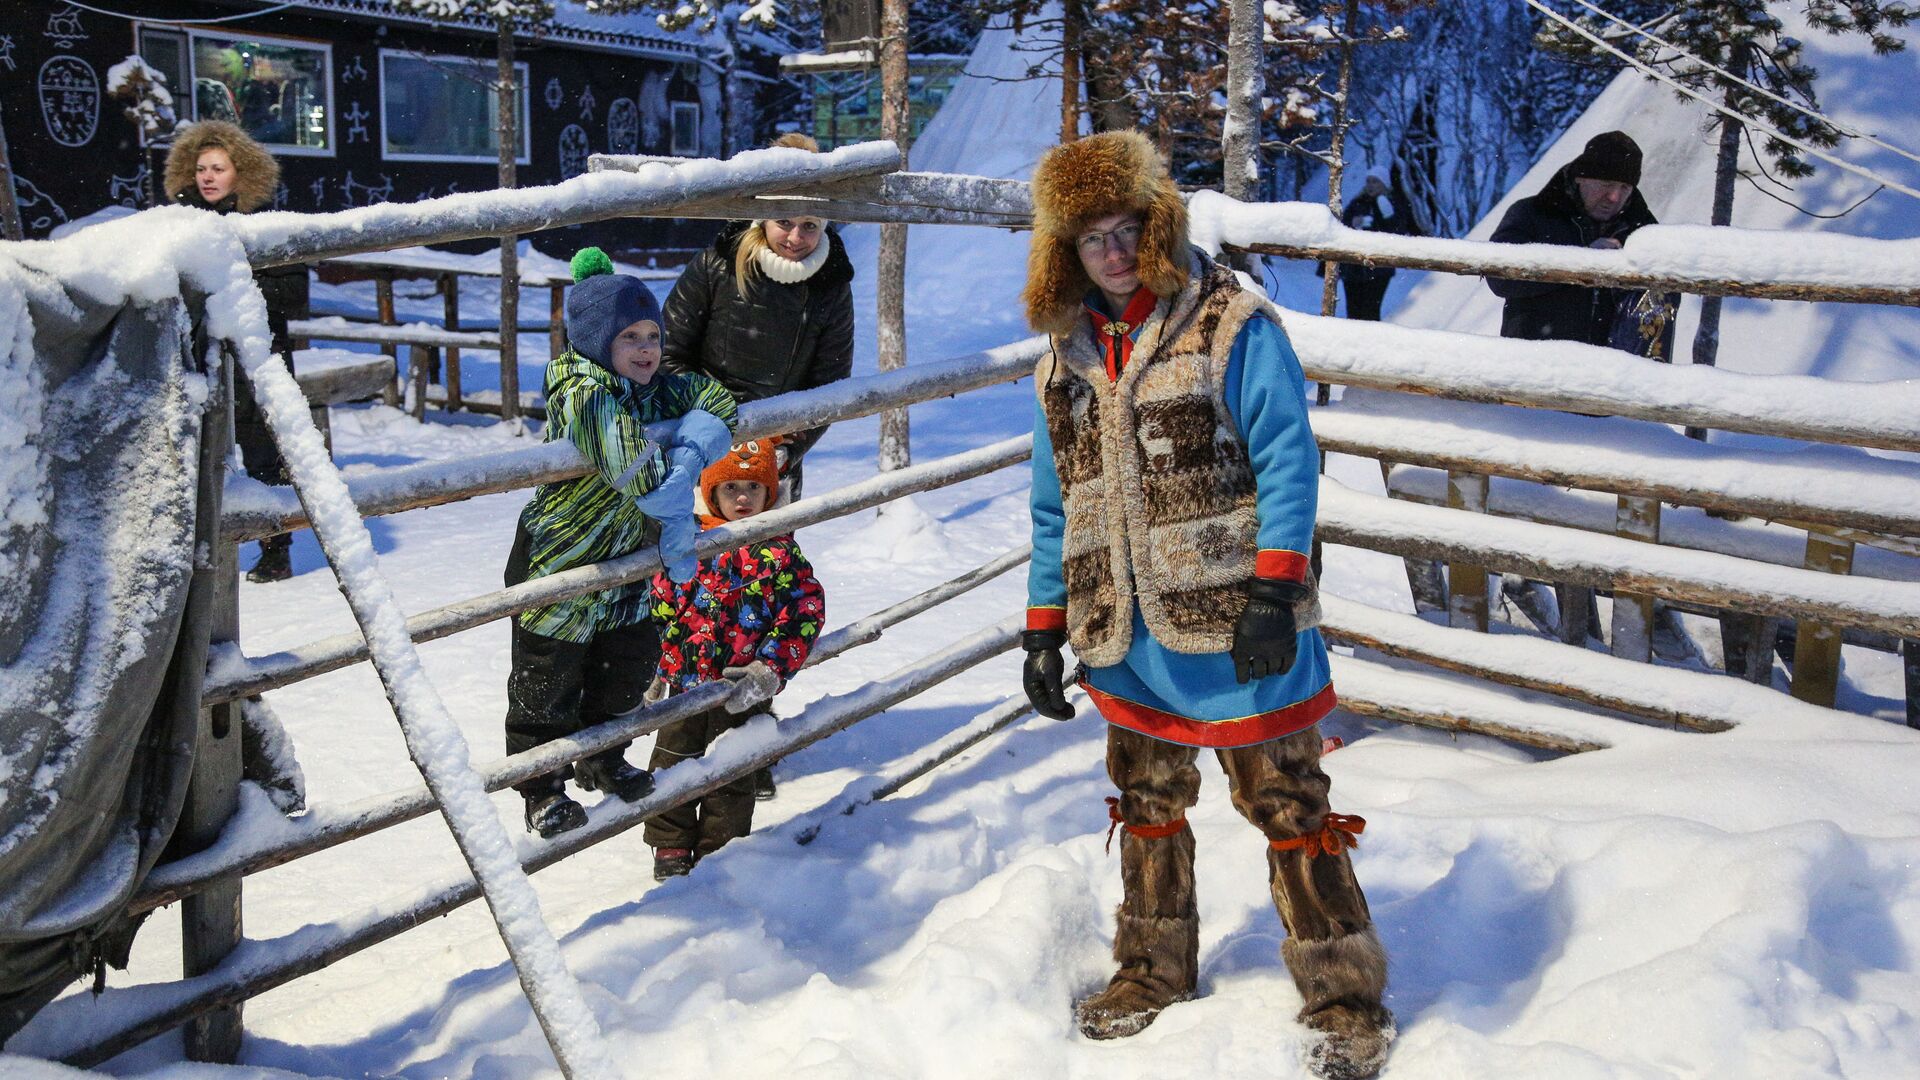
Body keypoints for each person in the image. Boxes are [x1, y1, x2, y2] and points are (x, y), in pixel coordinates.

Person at [1019, 131, 1391, 1079]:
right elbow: (1054, 499)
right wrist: (1043, 624)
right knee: (1147, 800)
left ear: (1157, 224)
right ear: (1064, 248)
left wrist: (1276, 587)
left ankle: (1343, 992)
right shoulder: (1063, 356)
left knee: (1288, 801)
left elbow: (1286, 458)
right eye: (1088, 235)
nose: (1108, 251)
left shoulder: (1230, 322)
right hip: (1125, 628)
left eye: (1124, 228)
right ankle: (1150, 968)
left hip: (1238, 621)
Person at [505, 247, 738, 839]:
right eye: (629, 336)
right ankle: (542, 788)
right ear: (593, 341)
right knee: (547, 684)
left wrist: (687, 447)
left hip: (628, 563)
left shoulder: (655, 386)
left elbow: (717, 400)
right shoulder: (583, 394)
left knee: (624, 673)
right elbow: (644, 480)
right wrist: (685, 465)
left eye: (653, 335)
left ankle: (602, 756)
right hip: (560, 560)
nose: (646, 349)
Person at [660, 131, 853, 800]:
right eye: (782, 221)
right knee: (695, 589)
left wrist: (786, 446)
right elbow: (671, 351)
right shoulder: (718, 263)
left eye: (808, 223)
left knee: (764, 593)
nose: (795, 236)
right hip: (703, 452)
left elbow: (833, 378)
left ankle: (748, 744)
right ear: (758, 215)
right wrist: (708, 430)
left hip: (774, 461)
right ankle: (679, 741)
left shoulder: (832, 279)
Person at [643, 437, 824, 879]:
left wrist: (770, 668)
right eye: (730, 488)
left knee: (734, 773)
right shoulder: (689, 543)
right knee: (671, 764)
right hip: (685, 685)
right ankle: (669, 846)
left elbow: (804, 610)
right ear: (710, 493)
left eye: (753, 487)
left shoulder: (779, 551)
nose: (742, 498)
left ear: (769, 493)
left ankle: (719, 853)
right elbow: (659, 605)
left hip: (741, 688)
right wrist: (650, 663)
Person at [164, 120, 310, 582]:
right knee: (196, 452)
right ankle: (198, 548)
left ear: (240, 173)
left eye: (219, 168)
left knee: (264, 453)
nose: (207, 177)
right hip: (196, 359)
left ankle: (275, 546)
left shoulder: (265, 224)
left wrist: (237, 287)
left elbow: (294, 293)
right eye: (202, 167)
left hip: (256, 356)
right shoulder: (179, 226)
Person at [1486, 130, 1657, 346]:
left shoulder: (1642, 230)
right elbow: (1499, 277)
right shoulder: (1532, 213)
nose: (1614, 197)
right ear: (1580, 178)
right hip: (1533, 363)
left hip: (1611, 371)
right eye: (1606, 184)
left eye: (1624, 187)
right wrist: (1582, 260)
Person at [1338, 166, 1414, 321]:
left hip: (1379, 267)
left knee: (1370, 310)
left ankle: (1370, 342)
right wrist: (1353, 223)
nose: (1371, 185)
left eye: (1375, 181)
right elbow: (1341, 226)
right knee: (1353, 311)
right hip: (1353, 266)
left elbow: (1397, 231)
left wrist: (1385, 216)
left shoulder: (1392, 203)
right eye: (1368, 181)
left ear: (1384, 184)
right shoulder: (1357, 203)